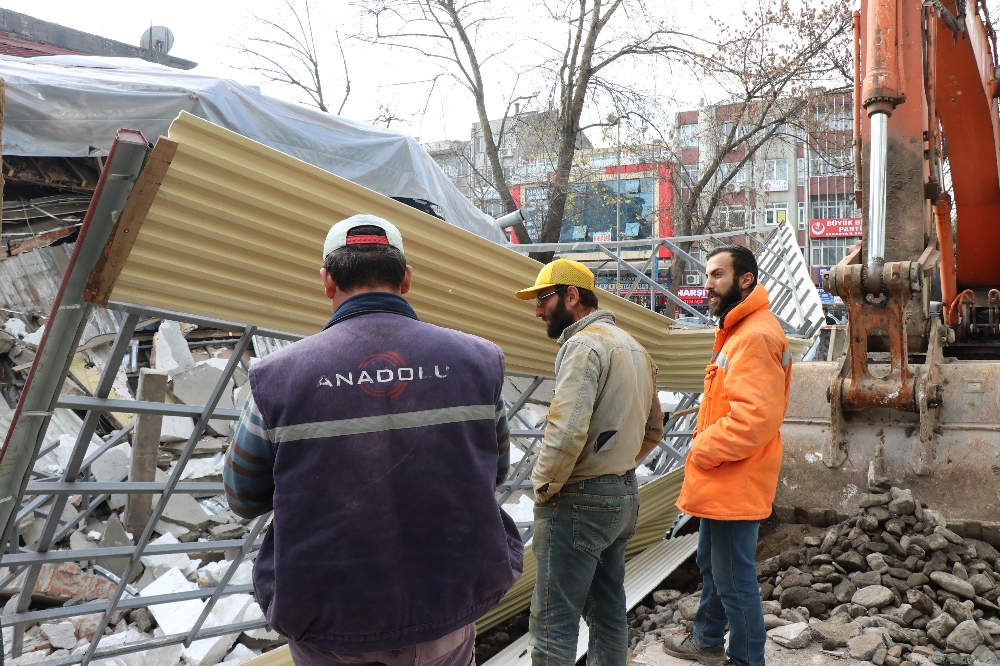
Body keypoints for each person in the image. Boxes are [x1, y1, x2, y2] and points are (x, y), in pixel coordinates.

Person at [223, 214, 523, 666]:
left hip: (332, 621)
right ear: (406, 279)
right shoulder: (477, 361)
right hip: (446, 605)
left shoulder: (278, 377)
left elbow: (243, 497)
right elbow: (493, 472)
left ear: (327, 281)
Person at [513, 258, 663, 666]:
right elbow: (654, 431)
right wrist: (614, 466)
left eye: (544, 299)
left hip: (578, 503)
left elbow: (565, 432)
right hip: (623, 497)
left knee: (552, 625)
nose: (538, 310)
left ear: (572, 295)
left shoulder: (582, 346)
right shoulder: (634, 346)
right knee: (608, 611)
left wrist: (543, 489)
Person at [663, 245, 792, 666]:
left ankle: (746, 659)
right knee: (714, 566)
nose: (708, 284)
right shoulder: (740, 331)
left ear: (745, 280)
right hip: (724, 479)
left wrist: (701, 449)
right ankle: (706, 638)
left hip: (735, 478)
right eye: (707, 275)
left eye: (718, 275)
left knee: (735, 579)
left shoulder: (755, 335)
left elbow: (754, 419)